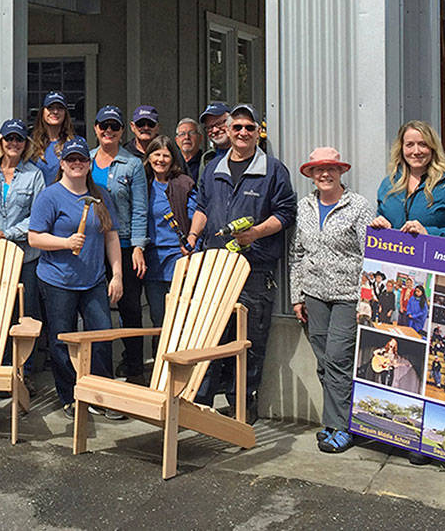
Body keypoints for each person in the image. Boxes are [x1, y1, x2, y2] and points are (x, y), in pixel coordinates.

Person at [186, 103, 296, 422]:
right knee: (210, 335)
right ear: (229, 132)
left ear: (258, 133)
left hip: (254, 269)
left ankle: (241, 406)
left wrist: (256, 233)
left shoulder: (273, 169)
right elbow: (203, 208)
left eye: (250, 128)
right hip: (215, 266)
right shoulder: (213, 168)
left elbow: (286, 213)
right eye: (238, 128)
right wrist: (192, 238)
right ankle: (202, 402)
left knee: (248, 340)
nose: (243, 133)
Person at [28, 137, 124, 419]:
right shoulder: (50, 196)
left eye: (82, 159)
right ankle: (69, 396)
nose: (77, 164)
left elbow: (111, 236)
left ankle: (101, 395)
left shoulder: (101, 194)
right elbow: (34, 237)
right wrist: (65, 242)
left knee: (103, 335)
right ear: (62, 164)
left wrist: (116, 274)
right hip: (58, 280)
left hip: (93, 280)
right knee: (61, 339)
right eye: (71, 159)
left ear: (89, 162)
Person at [289, 146, 373, 454]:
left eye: (331, 169)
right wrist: (297, 295)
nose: (325, 174)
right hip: (314, 295)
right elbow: (297, 254)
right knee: (324, 363)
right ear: (310, 174)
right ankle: (340, 419)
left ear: (341, 172)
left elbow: (370, 256)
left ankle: (341, 427)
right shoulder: (305, 206)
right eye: (318, 169)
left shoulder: (359, 206)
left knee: (338, 359)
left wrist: (366, 300)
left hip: (347, 296)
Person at [0, 118, 47, 390]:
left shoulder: (34, 175)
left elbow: (38, 216)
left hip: (25, 256)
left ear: (25, 143)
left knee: (25, 315)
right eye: (9, 139)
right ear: (0, 142)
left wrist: (9, 232)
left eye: (19, 139)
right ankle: (0, 370)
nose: (14, 144)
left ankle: (23, 372)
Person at [90, 105, 150, 382]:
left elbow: (140, 209)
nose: (109, 132)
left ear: (122, 131)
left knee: (130, 309)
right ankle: (97, 370)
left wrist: (138, 246)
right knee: (94, 308)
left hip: (124, 245)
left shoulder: (133, 164)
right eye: (104, 126)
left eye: (114, 127)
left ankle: (135, 369)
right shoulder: (85, 161)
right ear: (96, 129)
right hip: (91, 246)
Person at [370, 120, 445, 241]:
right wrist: (380, 226)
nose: (416, 151)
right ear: (401, 149)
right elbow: (381, 218)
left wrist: (428, 233)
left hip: (434, 257)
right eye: (409, 145)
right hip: (395, 256)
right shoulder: (388, 184)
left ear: (433, 148)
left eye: (423, 144)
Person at [140, 135, 196, 334]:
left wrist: (192, 248)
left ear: (173, 159)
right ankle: (159, 360)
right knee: (157, 317)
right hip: (152, 259)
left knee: (180, 316)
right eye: (156, 154)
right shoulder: (142, 184)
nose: (160, 159)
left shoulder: (184, 184)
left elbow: (195, 218)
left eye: (166, 155)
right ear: (148, 156)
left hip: (178, 256)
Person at [29, 91, 76, 185]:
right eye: (50, 108)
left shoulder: (75, 143)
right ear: (42, 112)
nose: (55, 112)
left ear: (65, 113)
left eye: (60, 108)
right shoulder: (30, 144)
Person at [174, 117, 205, 183]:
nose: (187, 137)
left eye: (192, 133)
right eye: (182, 134)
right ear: (177, 140)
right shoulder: (172, 162)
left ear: (200, 138)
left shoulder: (206, 162)